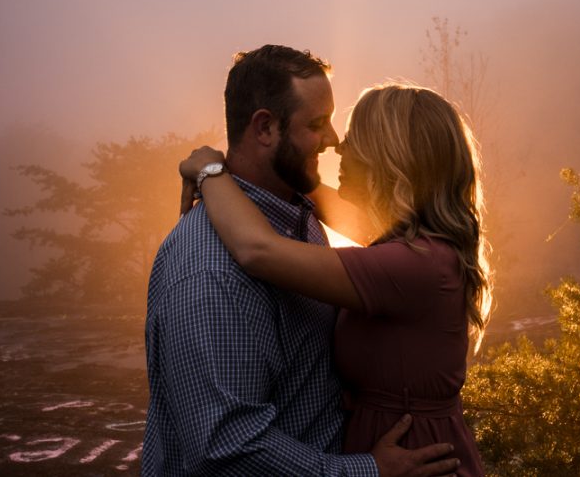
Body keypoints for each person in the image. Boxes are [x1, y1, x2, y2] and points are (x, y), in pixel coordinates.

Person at [143, 46, 457, 476]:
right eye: (316, 124)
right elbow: (226, 450)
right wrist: (365, 471)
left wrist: (210, 170)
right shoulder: (210, 273)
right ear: (265, 127)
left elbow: (260, 248)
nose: (333, 142)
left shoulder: (310, 222)